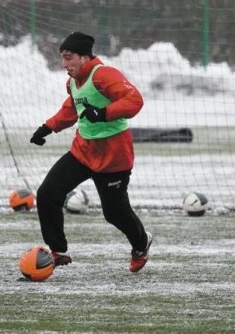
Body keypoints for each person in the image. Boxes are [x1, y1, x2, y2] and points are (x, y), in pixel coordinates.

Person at [30, 31, 153, 271]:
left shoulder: (104, 75)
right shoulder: (73, 82)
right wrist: (47, 127)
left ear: (84, 57)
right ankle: (58, 251)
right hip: (83, 151)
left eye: (68, 57)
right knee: (47, 194)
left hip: (113, 156)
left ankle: (141, 243)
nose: (64, 64)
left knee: (115, 214)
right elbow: (71, 108)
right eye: (62, 58)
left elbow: (134, 100)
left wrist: (104, 113)